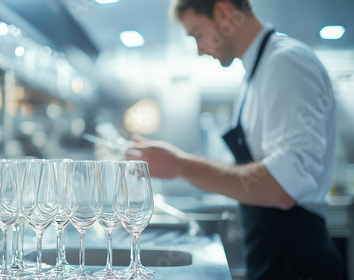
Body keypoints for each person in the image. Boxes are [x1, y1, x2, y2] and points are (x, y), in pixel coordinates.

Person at [126, 0, 344, 279]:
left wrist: (180, 165)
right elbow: (239, 173)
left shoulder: (286, 62)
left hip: (298, 263)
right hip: (272, 257)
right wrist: (174, 164)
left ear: (224, 12)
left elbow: (283, 187)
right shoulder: (254, 76)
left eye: (198, 35)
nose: (199, 49)